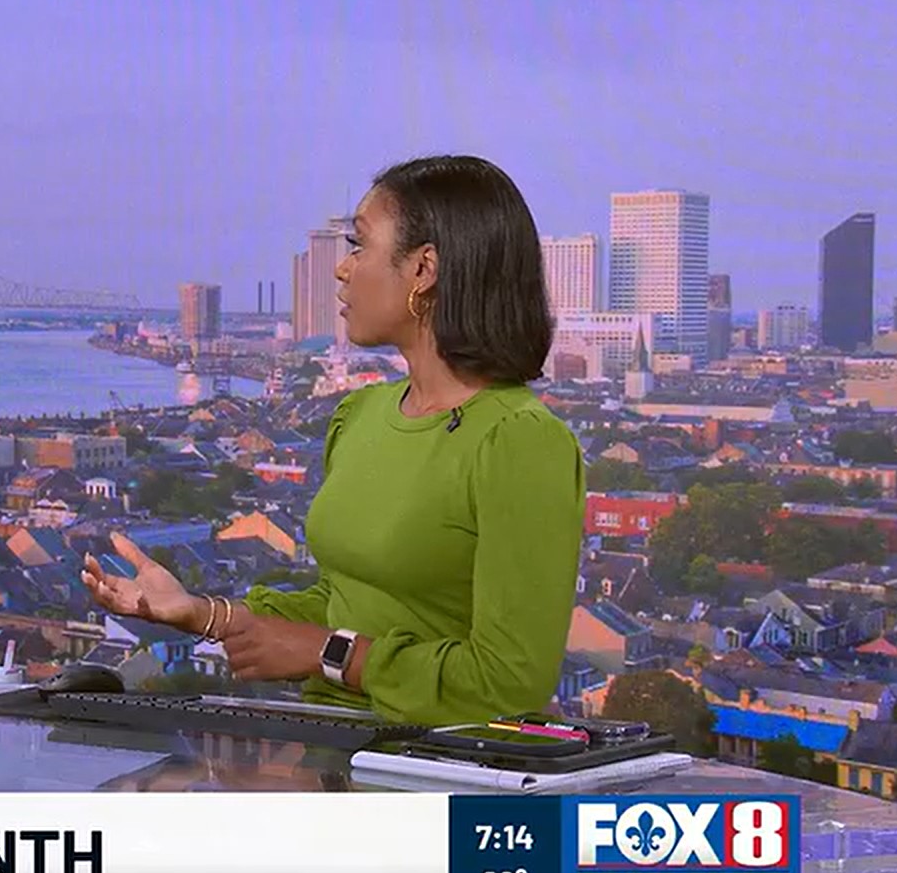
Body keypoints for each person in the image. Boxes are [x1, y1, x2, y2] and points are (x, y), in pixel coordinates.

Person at [83, 155, 586, 726]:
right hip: (335, 756)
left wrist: (329, 654)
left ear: (424, 269)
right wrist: (201, 613)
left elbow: (507, 684)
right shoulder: (360, 415)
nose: (342, 270)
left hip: (439, 781)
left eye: (360, 246)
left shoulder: (519, 441)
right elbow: (347, 605)